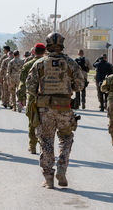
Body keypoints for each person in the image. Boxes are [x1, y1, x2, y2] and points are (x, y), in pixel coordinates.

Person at [27, 32, 84, 189]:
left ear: (47, 46)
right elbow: (80, 84)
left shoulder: (39, 63)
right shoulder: (71, 63)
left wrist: (41, 94)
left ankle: (48, 178)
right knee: (66, 138)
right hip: (64, 107)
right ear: (62, 45)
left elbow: (30, 87)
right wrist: (68, 87)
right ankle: (61, 168)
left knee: (45, 140)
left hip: (45, 109)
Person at [17, 43, 46, 154]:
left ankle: (32, 145)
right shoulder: (47, 63)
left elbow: (22, 83)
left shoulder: (28, 64)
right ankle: (43, 146)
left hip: (32, 98)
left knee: (32, 122)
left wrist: (20, 98)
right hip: (45, 98)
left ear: (34, 51)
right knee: (45, 124)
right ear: (44, 51)